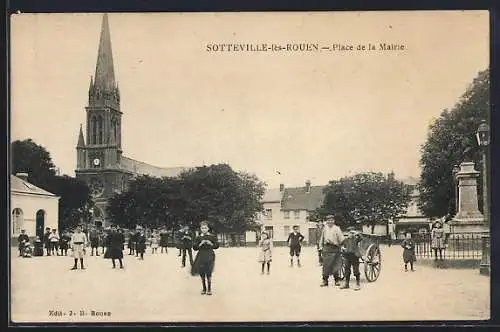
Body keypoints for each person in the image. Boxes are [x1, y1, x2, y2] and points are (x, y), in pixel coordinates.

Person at [191, 221, 219, 295]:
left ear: (208, 228)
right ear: (200, 229)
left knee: (208, 271)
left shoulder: (212, 236)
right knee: (202, 271)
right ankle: (204, 288)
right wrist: (200, 244)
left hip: (209, 254)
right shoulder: (199, 237)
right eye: (202, 228)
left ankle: (209, 289)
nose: (204, 229)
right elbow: (194, 247)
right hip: (201, 255)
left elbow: (217, 246)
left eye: (205, 228)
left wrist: (211, 243)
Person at [318, 215, 345, 287]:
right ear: (326, 221)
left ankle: (336, 280)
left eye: (331, 220)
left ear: (334, 221)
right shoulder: (325, 229)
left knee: (335, 265)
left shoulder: (337, 229)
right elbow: (322, 238)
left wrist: (340, 244)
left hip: (335, 248)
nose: (330, 222)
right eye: (328, 220)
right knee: (326, 265)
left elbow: (341, 239)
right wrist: (320, 247)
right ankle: (325, 281)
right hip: (326, 249)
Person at [340, 226, 362, 291]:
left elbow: (361, 238)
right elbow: (340, 244)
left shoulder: (356, 239)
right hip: (347, 256)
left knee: (356, 270)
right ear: (347, 233)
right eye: (350, 233)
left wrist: (357, 234)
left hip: (354, 256)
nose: (351, 235)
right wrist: (342, 248)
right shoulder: (345, 239)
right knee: (347, 269)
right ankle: (346, 284)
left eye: (352, 233)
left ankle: (358, 284)